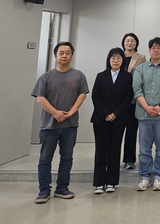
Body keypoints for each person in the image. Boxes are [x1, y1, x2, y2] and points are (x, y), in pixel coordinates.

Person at [31, 41, 89, 204]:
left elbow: (82, 95)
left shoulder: (79, 75)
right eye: (61, 53)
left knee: (67, 158)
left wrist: (71, 112)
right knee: (45, 159)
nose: (64, 55)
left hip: (70, 126)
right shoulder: (46, 77)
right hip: (49, 126)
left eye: (68, 52)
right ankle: (44, 190)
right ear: (55, 56)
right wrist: (55, 113)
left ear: (72, 55)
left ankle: (62, 188)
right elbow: (40, 98)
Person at [91, 48, 134, 194]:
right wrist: (105, 114)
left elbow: (128, 97)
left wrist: (115, 114)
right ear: (108, 60)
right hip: (100, 119)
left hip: (119, 119)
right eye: (113, 58)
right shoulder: (101, 76)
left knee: (115, 150)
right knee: (101, 150)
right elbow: (95, 96)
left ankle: (111, 182)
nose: (115, 61)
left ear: (123, 60)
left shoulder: (127, 77)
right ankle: (99, 183)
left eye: (118, 58)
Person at [133, 37, 160, 192]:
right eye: (153, 48)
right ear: (149, 50)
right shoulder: (140, 68)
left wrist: (159, 106)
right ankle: (144, 176)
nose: (156, 50)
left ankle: (159, 176)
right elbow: (137, 90)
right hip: (144, 114)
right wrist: (147, 107)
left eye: (159, 48)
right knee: (144, 149)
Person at [121, 32, 146, 170]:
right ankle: (112, 158)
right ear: (123, 43)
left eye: (132, 41)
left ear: (136, 43)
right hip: (118, 100)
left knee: (131, 131)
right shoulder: (117, 55)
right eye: (127, 40)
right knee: (116, 131)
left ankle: (129, 160)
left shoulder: (141, 57)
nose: (130, 43)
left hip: (133, 100)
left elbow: (145, 77)